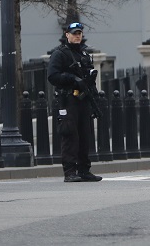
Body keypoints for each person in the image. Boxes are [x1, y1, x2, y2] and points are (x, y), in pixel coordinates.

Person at [47, 22, 103, 182]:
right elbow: (52, 76)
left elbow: (89, 80)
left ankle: (84, 170)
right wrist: (72, 79)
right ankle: (70, 172)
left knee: (85, 135)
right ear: (67, 35)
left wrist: (95, 97)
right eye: (74, 33)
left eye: (79, 33)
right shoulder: (60, 54)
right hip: (68, 99)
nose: (77, 35)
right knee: (70, 134)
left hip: (83, 99)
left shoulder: (84, 55)